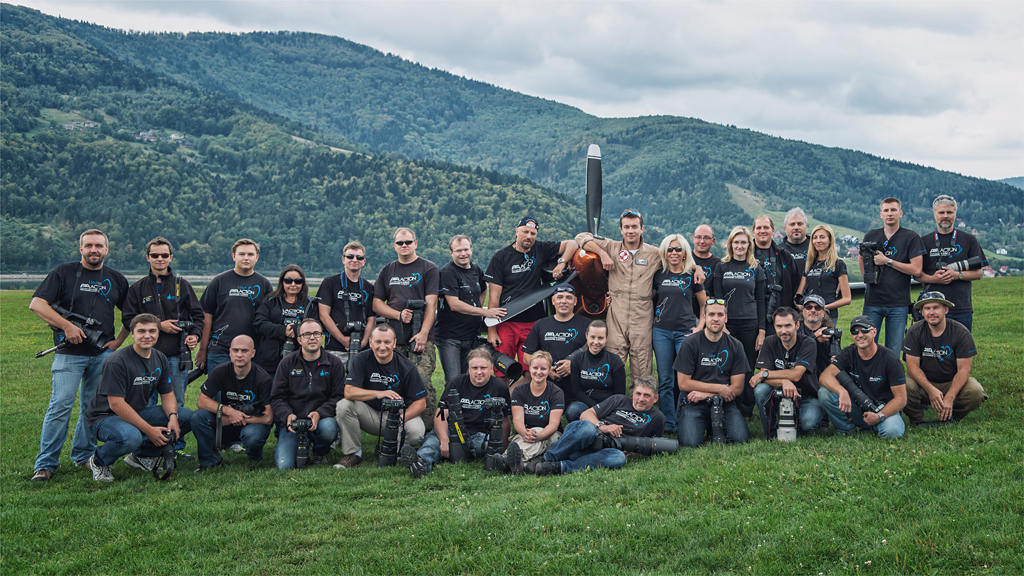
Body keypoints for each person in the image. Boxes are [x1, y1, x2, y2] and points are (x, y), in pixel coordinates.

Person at [29, 229, 129, 481]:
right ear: (81, 249)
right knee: (60, 406)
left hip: (102, 355)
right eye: (89, 245)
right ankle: (46, 464)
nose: (94, 250)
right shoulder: (63, 272)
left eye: (99, 246)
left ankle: (83, 455)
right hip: (69, 354)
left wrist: (118, 341)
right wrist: (67, 326)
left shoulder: (116, 278)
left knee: (92, 408)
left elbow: (130, 314)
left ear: (106, 250)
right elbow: (37, 304)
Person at [121, 237, 204, 458]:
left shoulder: (182, 285)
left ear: (171, 257)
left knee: (176, 403)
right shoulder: (137, 288)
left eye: (164, 255)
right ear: (147, 257)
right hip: (145, 357)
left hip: (176, 355)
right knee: (145, 405)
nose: (160, 259)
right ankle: (144, 451)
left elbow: (197, 316)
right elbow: (128, 319)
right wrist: (159, 325)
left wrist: (194, 335)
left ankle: (175, 448)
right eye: (155, 255)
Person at [84, 314, 192, 482]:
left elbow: (167, 393)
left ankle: (142, 456)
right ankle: (98, 461)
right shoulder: (117, 361)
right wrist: (149, 430)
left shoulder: (160, 358)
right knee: (131, 437)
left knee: (186, 416)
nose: (147, 336)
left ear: (158, 333)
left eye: (152, 331)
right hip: (105, 417)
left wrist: (173, 417)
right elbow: (116, 404)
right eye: (141, 331)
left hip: (137, 412)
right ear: (132, 334)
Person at [574, 209, 662, 382]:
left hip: (642, 314)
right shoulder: (611, 247)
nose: (630, 231)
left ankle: (640, 399)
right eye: (626, 227)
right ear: (621, 230)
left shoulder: (655, 253)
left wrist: (696, 268)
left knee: (642, 366)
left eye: (634, 227)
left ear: (642, 229)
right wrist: (603, 253)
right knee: (613, 364)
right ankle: (613, 398)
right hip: (617, 313)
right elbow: (581, 237)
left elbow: (680, 258)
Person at [400, 348, 512, 478]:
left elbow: (505, 420)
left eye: (483, 368)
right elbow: (441, 415)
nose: (479, 372)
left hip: (481, 435)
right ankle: (421, 463)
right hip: (452, 431)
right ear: (469, 369)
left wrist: (503, 447)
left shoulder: (500, 387)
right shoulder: (456, 383)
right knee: (432, 443)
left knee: (490, 445)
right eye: (475, 368)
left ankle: (498, 460)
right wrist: (444, 440)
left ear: (491, 369)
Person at [484, 216, 573, 381]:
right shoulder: (501, 257)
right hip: (507, 321)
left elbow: (573, 244)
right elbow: (493, 297)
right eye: (525, 232)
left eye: (533, 233)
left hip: (533, 323)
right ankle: (503, 398)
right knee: (502, 372)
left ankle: (518, 397)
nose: (529, 236)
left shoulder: (540, 249)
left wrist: (562, 262)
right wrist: (492, 331)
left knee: (531, 373)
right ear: (517, 232)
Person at [373, 227, 440, 428]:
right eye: (400, 243)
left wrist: (424, 334)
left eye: (408, 242)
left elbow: (432, 304)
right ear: (394, 246)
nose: (404, 245)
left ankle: (427, 430)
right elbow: (376, 304)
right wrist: (398, 315)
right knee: (395, 383)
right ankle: (396, 426)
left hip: (420, 337)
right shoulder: (387, 270)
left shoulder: (428, 268)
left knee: (422, 381)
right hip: (394, 339)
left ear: (415, 244)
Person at [334, 324, 427, 469]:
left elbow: (420, 403)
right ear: (370, 342)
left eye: (387, 342)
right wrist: (378, 393)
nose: (382, 347)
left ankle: (395, 451)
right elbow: (349, 392)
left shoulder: (406, 366)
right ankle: (353, 454)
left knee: (416, 431)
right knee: (343, 405)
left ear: (394, 343)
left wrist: (400, 419)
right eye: (378, 342)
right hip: (370, 413)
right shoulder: (361, 359)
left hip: (398, 415)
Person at [531, 376, 665, 476]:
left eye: (647, 396)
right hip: (589, 436)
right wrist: (602, 426)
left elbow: (654, 445)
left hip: (605, 451)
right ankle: (546, 459)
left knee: (619, 458)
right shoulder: (620, 400)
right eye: (638, 394)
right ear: (633, 393)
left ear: (655, 398)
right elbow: (585, 414)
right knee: (587, 427)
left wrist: (634, 451)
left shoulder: (658, 418)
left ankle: (559, 467)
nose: (641, 399)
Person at [902, 292, 987, 425]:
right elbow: (912, 367)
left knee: (976, 392)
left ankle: (950, 417)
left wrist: (950, 397)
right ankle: (917, 420)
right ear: (922, 312)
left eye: (936, 307)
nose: (931, 312)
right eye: (927, 308)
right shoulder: (914, 332)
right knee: (903, 385)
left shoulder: (961, 332)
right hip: (923, 384)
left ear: (945, 310)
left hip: (951, 382)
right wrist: (931, 390)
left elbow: (964, 370)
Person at [674, 299, 751, 447]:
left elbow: (738, 388)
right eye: (711, 314)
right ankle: (708, 424)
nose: (716, 318)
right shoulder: (690, 343)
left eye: (720, 315)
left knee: (741, 439)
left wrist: (708, 395)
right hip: (694, 403)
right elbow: (683, 383)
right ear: (704, 317)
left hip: (724, 402)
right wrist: (719, 388)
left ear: (726, 318)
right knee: (689, 443)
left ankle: (712, 425)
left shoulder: (736, 345)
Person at [270, 318, 344, 469]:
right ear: (299, 339)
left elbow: (339, 396)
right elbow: (277, 397)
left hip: (321, 420)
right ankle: (294, 444)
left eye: (316, 333)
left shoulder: (334, 363)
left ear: (322, 337)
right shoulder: (287, 363)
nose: (312, 337)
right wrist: (287, 415)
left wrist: (320, 413)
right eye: (307, 334)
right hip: (293, 422)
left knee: (329, 429)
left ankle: (319, 451)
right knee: (285, 466)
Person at [192, 335, 274, 471]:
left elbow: (268, 418)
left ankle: (254, 455)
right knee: (198, 417)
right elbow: (202, 401)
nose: (239, 355)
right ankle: (210, 460)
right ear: (230, 352)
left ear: (253, 353)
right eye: (235, 350)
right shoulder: (220, 371)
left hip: (252, 423)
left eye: (244, 351)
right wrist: (229, 411)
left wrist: (236, 418)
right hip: (226, 420)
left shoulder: (263, 378)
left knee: (252, 436)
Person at [651, 234, 707, 432]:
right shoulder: (658, 274)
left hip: (685, 332)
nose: (674, 252)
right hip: (661, 332)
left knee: (685, 379)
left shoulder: (692, 275)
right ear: (664, 252)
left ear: (684, 252)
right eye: (670, 249)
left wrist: (699, 328)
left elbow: (705, 305)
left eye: (678, 249)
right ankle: (668, 423)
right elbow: (648, 299)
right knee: (665, 379)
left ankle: (683, 418)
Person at [817, 316, 907, 439]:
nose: (860, 335)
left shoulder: (890, 360)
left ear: (874, 332)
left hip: (883, 409)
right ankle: (845, 430)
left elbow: (901, 399)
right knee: (824, 393)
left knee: (892, 432)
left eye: (865, 330)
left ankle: (876, 425)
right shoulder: (848, 353)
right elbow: (825, 376)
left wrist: (879, 416)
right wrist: (842, 391)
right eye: (855, 332)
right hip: (857, 407)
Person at [709, 226, 765, 418]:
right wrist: (722, 325)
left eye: (743, 242)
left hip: (750, 322)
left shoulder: (755, 268)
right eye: (736, 242)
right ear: (730, 244)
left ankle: (746, 408)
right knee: (725, 363)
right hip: (728, 323)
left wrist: (762, 330)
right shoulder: (721, 266)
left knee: (747, 365)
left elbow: (761, 300)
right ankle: (726, 402)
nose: (739, 246)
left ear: (749, 244)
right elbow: (718, 299)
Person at [196, 239, 272, 373]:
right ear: (233, 256)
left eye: (250, 254)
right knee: (219, 387)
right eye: (242, 254)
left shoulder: (264, 284)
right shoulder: (219, 282)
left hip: (253, 352)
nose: (246, 258)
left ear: (257, 257)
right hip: (220, 350)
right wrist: (202, 349)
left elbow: (269, 319)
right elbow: (206, 316)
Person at [859, 197, 924, 353]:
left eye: (893, 210)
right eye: (886, 210)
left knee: (893, 350)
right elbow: (861, 258)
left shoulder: (911, 237)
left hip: (898, 303)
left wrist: (887, 261)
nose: (890, 214)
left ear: (900, 213)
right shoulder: (871, 235)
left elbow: (916, 270)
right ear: (881, 214)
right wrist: (867, 279)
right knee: (866, 346)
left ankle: (890, 371)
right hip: (873, 301)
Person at [436, 235, 503, 384]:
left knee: (469, 380)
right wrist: (483, 312)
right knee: (454, 380)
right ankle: (450, 400)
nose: (463, 254)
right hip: (450, 337)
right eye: (458, 251)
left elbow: (484, 289)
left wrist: (477, 308)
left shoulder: (476, 269)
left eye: (466, 249)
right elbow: (454, 304)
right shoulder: (448, 272)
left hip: (472, 334)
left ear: (471, 249)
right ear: (451, 253)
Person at [915, 195, 985, 332]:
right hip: (931, 308)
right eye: (941, 212)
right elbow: (916, 274)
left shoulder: (969, 239)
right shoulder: (923, 241)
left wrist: (957, 275)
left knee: (961, 345)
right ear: (934, 214)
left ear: (955, 214)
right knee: (931, 345)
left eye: (949, 212)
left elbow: (978, 273)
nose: (945, 216)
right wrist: (934, 279)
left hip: (961, 307)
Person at [749, 307, 823, 436]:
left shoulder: (808, 343)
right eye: (779, 326)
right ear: (774, 327)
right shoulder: (769, 342)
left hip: (806, 395)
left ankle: (794, 424)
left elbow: (796, 374)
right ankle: (771, 432)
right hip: (778, 393)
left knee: (808, 423)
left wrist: (765, 374)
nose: (783, 331)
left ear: (797, 325)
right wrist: (784, 381)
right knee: (760, 390)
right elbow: (764, 378)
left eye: (788, 326)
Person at [520, 284, 590, 390]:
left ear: (575, 301)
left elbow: (597, 354)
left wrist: (574, 364)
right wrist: (546, 368)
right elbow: (526, 356)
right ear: (553, 300)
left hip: (578, 389)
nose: (564, 301)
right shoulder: (541, 324)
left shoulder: (587, 324)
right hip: (546, 389)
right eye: (560, 297)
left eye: (569, 298)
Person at [506, 352, 567, 470]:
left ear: (549, 370)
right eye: (535, 368)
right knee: (520, 440)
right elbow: (517, 420)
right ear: (529, 368)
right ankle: (524, 463)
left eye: (543, 369)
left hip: (550, 434)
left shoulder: (556, 392)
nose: (538, 372)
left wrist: (539, 436)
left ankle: (509, 460)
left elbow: (554, 423)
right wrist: (525, 433)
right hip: (524, 433)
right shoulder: (519, 390)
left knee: (536, 435)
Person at [254, 265, 316, 376]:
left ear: (303, 283)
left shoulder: (310, 304)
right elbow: (259, 323)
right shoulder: (271, 300)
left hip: (301, 360)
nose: (293, 284)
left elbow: (317, 326)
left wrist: (297, 330)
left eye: (298, 281)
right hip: (270, 360)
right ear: (282, 282)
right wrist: (283, 331)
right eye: (288, 281)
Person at [319, 241, 376, 363]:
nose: (354, 260)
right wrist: (342, 339)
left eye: (359, 257)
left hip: (362, 348)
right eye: (350, 256)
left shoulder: (369, 288)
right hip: (335, 347)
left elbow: (371, 318)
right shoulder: (330, 283)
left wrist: (364, 342)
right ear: (343, 259)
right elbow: (323, 315)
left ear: (364, 262)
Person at [565, 321, 626, 422]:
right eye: (592, 337)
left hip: (609, 406)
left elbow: (620, 394)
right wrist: (596, 408)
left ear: (606, 338)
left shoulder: (615, 360)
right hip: (586, 405)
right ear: (586, 336)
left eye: (600, 338)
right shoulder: (577, 359)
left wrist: (604, 409)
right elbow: (577, 391)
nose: (596, 342)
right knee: (573, 411)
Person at [751, 215, 801, 333]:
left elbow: (795, 283)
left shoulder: (784, 255)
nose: (762, 231)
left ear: (773, 230)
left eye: (766, 227)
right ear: (753, 232)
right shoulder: (746, 255)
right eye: (759, 228)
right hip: (751, 315)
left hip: (780, 315)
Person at [796, 225, 851, 322]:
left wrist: (823, 308)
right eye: (815, 237)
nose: (818, 241)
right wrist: (801, 306)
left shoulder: (838, 264)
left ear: (830, 240)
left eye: (822, 237)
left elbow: (847, 299)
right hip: (809, 316)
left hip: (828, 316)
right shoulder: (809, 264)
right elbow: (798, 294)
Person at [798, 294, 839, 377]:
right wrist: (814, 338)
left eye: (817, 308)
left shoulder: (830, 333)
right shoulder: (795, 331)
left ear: (824, 313)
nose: (813, 310)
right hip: (800, 377)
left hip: (823, 376)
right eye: (809, 307)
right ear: (803, 311)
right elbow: (795, 353)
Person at [691, 225, 720, 318]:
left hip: (708, 314)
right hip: (685, 312)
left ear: (713, 241)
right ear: (693, 239)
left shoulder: (719, 263)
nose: (702, 241)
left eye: (706, 238)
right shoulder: (684, 258)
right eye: (698, 237)